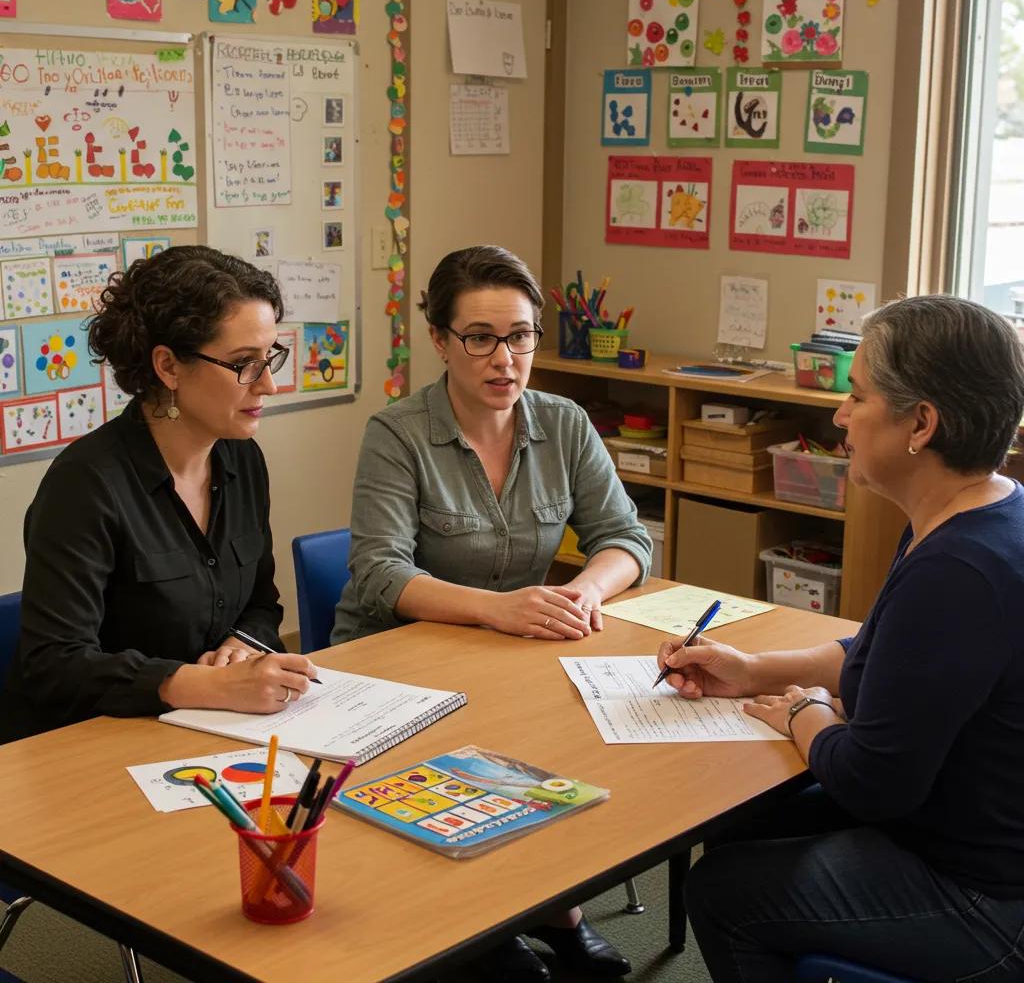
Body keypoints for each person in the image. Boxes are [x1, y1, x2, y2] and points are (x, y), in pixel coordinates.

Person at [656, 295, 1024, 982]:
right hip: (962, 834)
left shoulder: (958, 571)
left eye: (856, 396)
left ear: (922, 423)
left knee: (722, 892)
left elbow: (871, 781)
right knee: (738, 825)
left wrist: (806, 715)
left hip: (984, 898)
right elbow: (885, 651)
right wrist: (751, 669)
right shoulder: (981, 508)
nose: (838, 416)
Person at [333, 245, 652, 981]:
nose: (504, 358)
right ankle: (494, 928)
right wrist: (497, 611)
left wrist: (589, 591)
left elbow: (627, 538)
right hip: (397, 666)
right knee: (485, 761)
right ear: (440, 341)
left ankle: (553, 905)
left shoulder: (564, 423)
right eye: (480, 337)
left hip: (513, 655)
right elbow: (378, 573)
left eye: (521, 335)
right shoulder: (398, 432)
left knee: (578, 743)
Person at [0, 246, 318, 744]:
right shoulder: (85, 484)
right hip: (89, 746)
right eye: (244, 364)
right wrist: (204, 684)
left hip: (205, 734)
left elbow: (261, 603)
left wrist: (242, 644)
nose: (270, 385)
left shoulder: (242, 459)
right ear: (168, 367)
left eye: (270, 357)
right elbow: (55, 666)